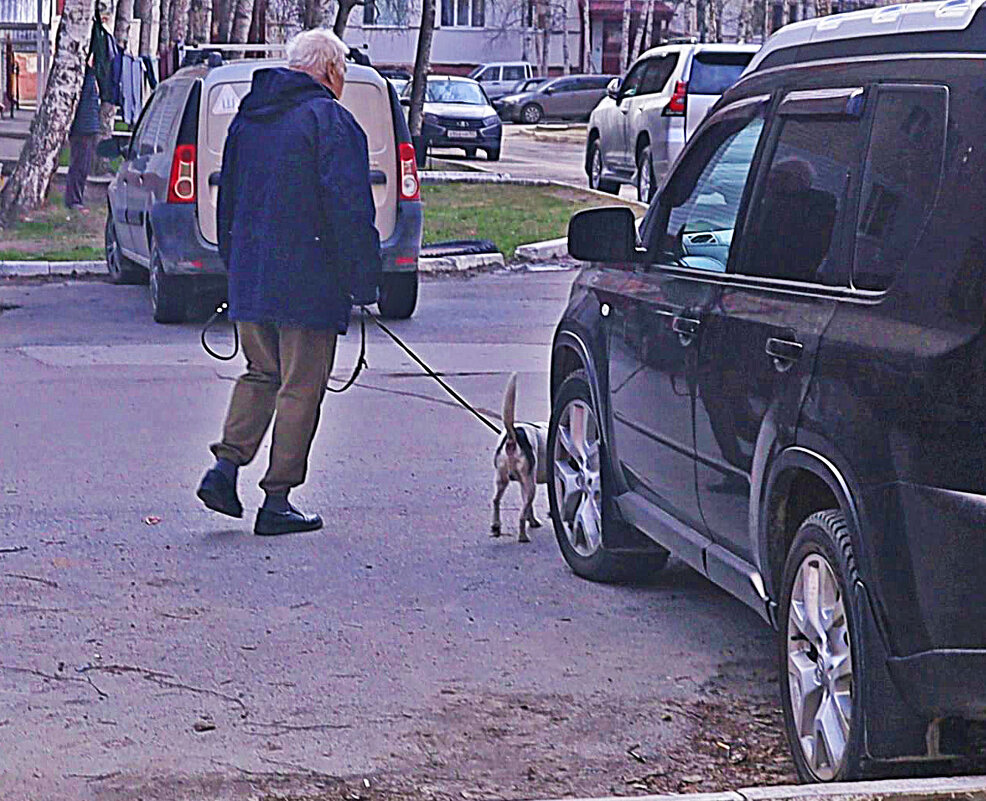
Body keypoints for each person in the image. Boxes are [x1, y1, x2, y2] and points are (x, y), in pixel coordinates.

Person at [196, 29, 381, 536]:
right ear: (331, 71)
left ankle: (225, 467)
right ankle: (276, 500)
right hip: (310, 278)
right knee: (301, 386)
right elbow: (348, 209)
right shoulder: (332, 123)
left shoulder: (249, 119)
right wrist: (364, 279)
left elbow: (227, 199)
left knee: (261, 372)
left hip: (252, 273)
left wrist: (234, 265)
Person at [66, 67, 101, 210]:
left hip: (88, 126)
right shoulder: (85, 77)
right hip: (83, 127)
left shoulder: (88, 76)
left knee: (83, 166)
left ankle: (77, 198)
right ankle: (74, 200)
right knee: (79, 165)